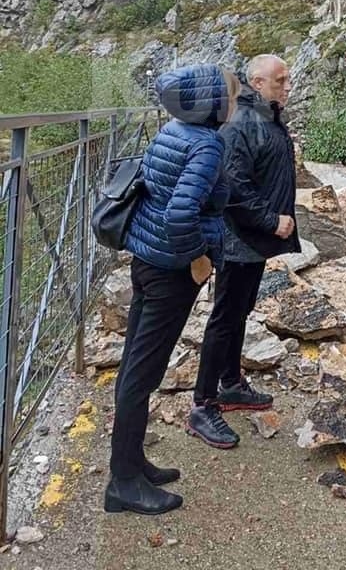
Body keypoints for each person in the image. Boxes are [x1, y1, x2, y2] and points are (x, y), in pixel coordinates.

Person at [104, 63, 239, 516]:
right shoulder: (207, 145)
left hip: (148, 261)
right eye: (231, 96)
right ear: (211, 103)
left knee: (134, 367)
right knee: (143, 373)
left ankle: (133, 461)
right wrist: (198, 261)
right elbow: (180, 214)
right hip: (170, 272)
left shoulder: (174, 131)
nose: (236, 104)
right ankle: (123, 484)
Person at [187, 54, 300, 448]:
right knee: (224, 318)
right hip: (238, 238)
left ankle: (231, 383)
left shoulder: (264, 114)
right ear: (256, 82)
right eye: (280, 81)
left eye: (287, 80)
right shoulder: (243, 122)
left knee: (238, 313)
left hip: (250, 241)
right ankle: (203, 406)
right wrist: (271, 221)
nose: (287, 87)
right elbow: (234, 185)